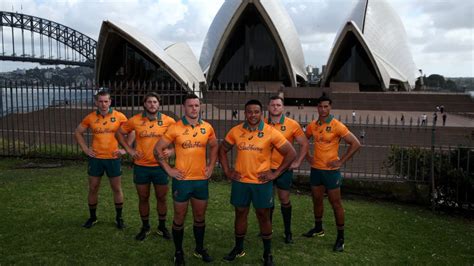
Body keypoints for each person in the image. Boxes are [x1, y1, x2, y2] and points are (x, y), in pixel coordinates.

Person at [218, 99, 296, 266]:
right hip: (241, 182)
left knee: (263, 216)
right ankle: (238, 248)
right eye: (249, 112)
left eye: (256, 112)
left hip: (262, 183)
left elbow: (290, 152)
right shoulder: (236, 131)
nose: (253, 115)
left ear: (262, 113)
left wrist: (276, 173)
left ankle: (267, 254)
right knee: (240, 213)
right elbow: (222, 150)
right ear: (245, 113)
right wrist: (227, 171)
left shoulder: (270, 132)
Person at [154, 94, 218, 266]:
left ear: (200, 107)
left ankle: (199, 248)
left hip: (200, 181)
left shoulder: (207, 127)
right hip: (182, 181)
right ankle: (178, 252)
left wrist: (211, 166)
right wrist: (169, 170)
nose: (194, 109)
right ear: (184, 107)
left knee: (199, 216)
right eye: (190, 106)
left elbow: (214, 146)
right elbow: (157, 149)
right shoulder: (175, 128)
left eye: (196, 105)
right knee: (179, 217)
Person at [303, 93, 361, 252]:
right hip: (316, 170)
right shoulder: (312, 125)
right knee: (317, 200)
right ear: (317, 107)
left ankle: (340, 238)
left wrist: (341, 161)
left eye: (326, 106)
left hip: (331, 171)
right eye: (320, 106)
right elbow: (302, 140)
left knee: (336, 204)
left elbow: (356, 143)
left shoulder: (337, 125)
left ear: (330, 107)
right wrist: (308, 157)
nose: (323, 109)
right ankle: (318, 228)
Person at [116, 92, 175, 241]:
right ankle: (145, 226)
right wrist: (129, 150)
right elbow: (119, 133)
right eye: (149, 102)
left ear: (159, 104)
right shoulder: (135, 120)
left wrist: (171, 150)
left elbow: (180, 138)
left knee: (162, 198)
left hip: (160, 167)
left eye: (155, 102)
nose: (152, 104)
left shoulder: (169, 121)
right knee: (143, 198)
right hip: (141, 166)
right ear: (144, 104)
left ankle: (162, 227)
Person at [74, 89, 128, 229]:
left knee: (116, 188)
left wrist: (125, 149)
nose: (103, 104)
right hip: (96, 159)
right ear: (96, 102)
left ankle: (119, 218)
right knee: (93, 188)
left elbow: (132, 132)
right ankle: (92, 218)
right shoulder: (90, 117)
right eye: (101, 101)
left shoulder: (119, 116)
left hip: (113, 158)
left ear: (110, 102)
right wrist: (85, 149)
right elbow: (78, 132)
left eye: (106, 101)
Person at [266, 96, 309, 244]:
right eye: (273, 105)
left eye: (278, 105)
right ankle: (267, 229)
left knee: (284, 199)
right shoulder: (261, 123)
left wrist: (297, 162)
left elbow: (304, 143)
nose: (275, 107)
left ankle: (287, 232)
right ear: (268, 107)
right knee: (267, 200)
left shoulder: (292, 124)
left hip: (284, 168)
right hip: (265, 169)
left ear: (283, 108)